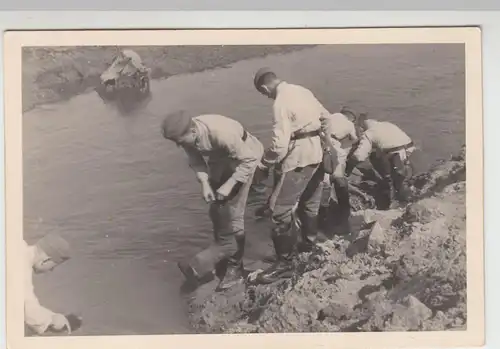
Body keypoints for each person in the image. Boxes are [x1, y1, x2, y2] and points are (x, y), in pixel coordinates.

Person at [161, 111, 264, 291]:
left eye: (180, 142)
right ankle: (221, 252)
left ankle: (235, 268)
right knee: (217, 209)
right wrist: (205, 184)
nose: (179, 146)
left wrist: (230, 184)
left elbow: (248, 160)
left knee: (234, 214)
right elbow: (195, 159)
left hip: (245, 157)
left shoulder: (220, 132)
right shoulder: (188, 136)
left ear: (192, 131)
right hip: (220, 157)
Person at [252, 68, 329, 284]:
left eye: (264, 94)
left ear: (265, 88)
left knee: (280, 212)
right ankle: (309, 246)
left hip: (300, 157)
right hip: (318, 153)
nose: (267, 97)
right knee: (309, 203)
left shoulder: (280, 103)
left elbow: (278, 146)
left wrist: (264, 165)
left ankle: (285, 264)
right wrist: (328, 144)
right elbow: (327, 118)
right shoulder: (302, 91)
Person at [345, 113, 415, 208]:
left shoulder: (369, 133)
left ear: (362, 127)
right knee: (400, 172)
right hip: (408, 147)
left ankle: (393, 195)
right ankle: (408, 190)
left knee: (393, 177)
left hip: (393, 153)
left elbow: (359, 156)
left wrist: (348, 167)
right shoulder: (387, 124)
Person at [24, 233, 74, 336]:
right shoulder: (21, 268)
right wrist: (52, 319)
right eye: (52, 266)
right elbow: (26, 308)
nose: (51, 270)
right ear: (46, 260)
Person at [318, 107, 359, 222]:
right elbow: (354, 140)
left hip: (319, 144)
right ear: (352, 118)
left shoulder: (330, 116)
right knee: (339, 178)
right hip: (334, 146)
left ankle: (322, 213)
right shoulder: (349, 124)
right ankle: (345, 211)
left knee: (324, 180)